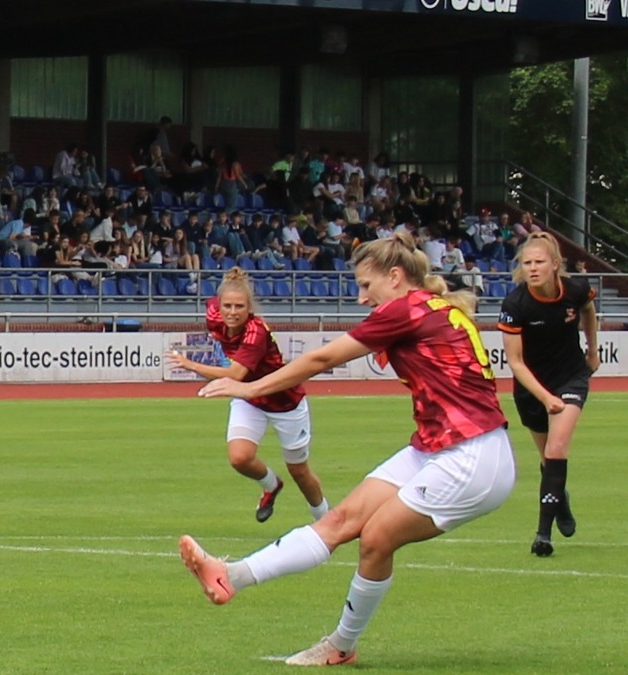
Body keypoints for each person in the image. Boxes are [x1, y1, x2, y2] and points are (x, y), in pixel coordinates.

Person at [178, 232, 515, 666]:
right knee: (341, 519)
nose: (360, 298)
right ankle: (231, 575)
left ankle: (341, 646)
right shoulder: (430, 307)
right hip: (438, 445)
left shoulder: (407, 310)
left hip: (471, 456)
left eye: (365, 286)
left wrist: (250, 386)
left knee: (375, 538)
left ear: (394, 277)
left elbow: (322, 361)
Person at [167, 269, 329, 523]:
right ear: (218, 305)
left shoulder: (256, 331)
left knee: (299, 471)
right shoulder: (213, 313)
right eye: (227, 305)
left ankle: (325, 518)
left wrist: (191, 365)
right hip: (249, 398)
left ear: (249, 308)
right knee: (239, 458)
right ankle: (271, 485)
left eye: (239, 306)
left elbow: (236, 374)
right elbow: (240, 383)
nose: (232, 312)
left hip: (284, 402)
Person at [498, 231, 598, 557]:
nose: (533, 268)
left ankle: (543, 534)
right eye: (527, 263)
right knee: (547, 459)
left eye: (539, 262)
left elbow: (588, 311)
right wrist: (543, 397)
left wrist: (593, 351)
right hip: (532, 388)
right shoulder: (515, 304)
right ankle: (561, 500)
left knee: (557, 449)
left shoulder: (576, 289)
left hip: (570, 377)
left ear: (555, 264)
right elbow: (515, 362)